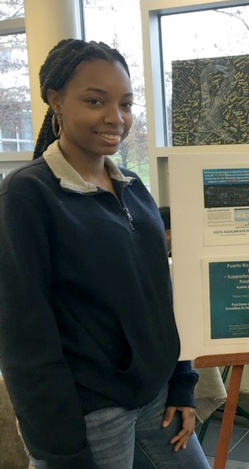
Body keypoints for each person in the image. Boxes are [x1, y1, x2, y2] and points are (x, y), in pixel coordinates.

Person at [0, 39, 210, 469]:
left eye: (126, 104)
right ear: (55, 100)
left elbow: (161, 294)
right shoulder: (26, 196)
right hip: (91, 413)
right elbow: (23, 337)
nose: (116, 118)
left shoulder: (132, 185)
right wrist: (60, 452)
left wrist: (182, 381)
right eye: (96, 101)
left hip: (157, 397)